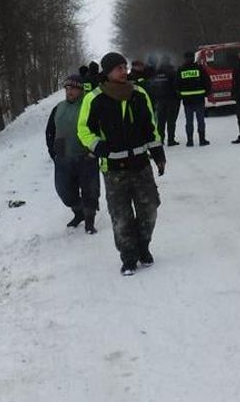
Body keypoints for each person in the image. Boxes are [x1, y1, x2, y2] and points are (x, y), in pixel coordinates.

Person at [77, 52, 166, 276]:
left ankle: (143, 246)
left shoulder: (139, 93)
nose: (124, 71)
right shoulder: (94, 98)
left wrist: (158, 154)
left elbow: (150, 126)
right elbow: (84, 129)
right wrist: (99, 147)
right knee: (121, 217)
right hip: (114, 170)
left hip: (141, 165)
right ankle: (128, 257)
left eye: (124, 67)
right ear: (107, 72)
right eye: (118, 68)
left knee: (150, 210)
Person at [45, 74, 99, 234]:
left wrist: (94, 151)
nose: (69, 91)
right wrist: (53, 152)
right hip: (63, 157)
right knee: (64, 191)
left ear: (81, 90)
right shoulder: (58, 108)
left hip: (86, 156)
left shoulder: (89, 106)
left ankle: (90, 221)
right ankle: (79, 212)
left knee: (90, 191)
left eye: (73, 88)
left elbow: (99, 129)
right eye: (67, 88)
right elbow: (50, 131)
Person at [176, 50, 211, 147]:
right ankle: (202, 139)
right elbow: (207, 82)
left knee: (189, 122)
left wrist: (181, 96)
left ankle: (190, 141)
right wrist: (206, 93)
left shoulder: (181, 69)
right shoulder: (199, 68)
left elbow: (177, 85)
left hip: (187, 101)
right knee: (200, 120)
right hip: (199, 99)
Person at [152, 55, 181, 145]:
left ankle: (161, 139)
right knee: (171, 121)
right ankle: (171, 140)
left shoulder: (156, 73)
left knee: (161, 122)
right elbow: (177, 85)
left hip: (160, 101)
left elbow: (153, 86)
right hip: (171, 100)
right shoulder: (172, 72)